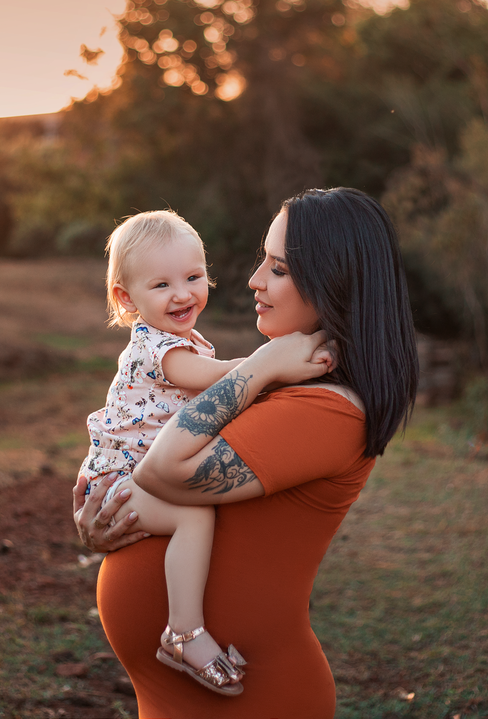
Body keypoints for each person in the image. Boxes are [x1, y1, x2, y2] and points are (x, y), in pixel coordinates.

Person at [73, 188, 419, 718]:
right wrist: (114, 521)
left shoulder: (329, 411)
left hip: (255, 697)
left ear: (332, 283)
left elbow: (163, 469)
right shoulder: (286, 387)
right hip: (180, 697)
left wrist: (263, 363)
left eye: (277, 268)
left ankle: (184, 632)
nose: (255, 279)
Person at [80, 210, 326, 696]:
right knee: (194, 517)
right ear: (126, 298)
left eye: (193, 277)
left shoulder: (186, 343)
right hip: (122, 480)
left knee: (194, 511)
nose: (182, 294)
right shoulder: (155, 348)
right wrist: (270, 363)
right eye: (161, 285)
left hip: (137, 476)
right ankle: (183, 633)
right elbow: (219, 381)